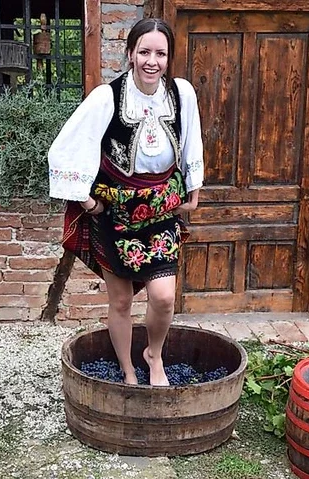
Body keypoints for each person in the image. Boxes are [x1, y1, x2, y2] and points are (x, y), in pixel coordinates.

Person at [48, 18, 204, 386]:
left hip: (162, 207)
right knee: (120, 302)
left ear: (168, 57)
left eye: (161, 53)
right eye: (145, 52)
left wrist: (193, 188)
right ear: (130, 53)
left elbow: (191, 139)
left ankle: (154, 355)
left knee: (164, 296)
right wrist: (89, 203)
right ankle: (129, 371)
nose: (153, 61)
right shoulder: (108, 96)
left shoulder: (182, 94)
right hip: (116, 213)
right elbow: (66, 148)